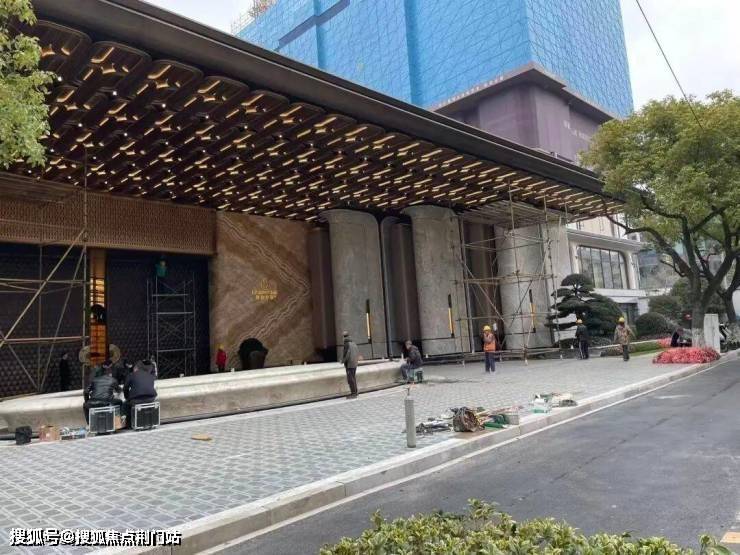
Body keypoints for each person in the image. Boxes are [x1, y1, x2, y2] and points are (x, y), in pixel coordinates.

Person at [123, 361, 158, 428]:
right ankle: (150, 422)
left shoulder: (131, 375)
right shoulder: (150, 375)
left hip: (136, 400)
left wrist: (127, 398)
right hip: (151, 399)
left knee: (125, 405)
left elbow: (125, 388)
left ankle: (129, 424)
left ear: (136, 368)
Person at [341, 332, 359, 399]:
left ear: (344, 337)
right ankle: (355, 392)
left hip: (349, 364)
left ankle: (353, 394)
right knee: (353, 378)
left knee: (350, 379)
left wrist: (343, 361)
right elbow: (357, 352)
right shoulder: (354, 343)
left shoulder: (346, 344)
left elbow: (347, 354)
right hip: (354, 363)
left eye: (343, 337)